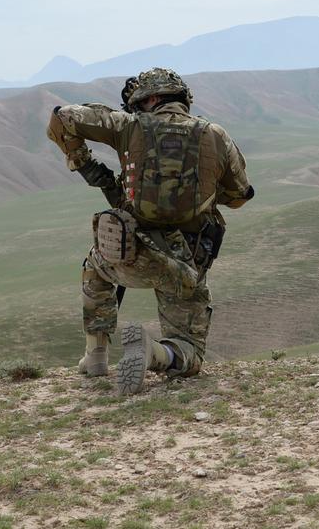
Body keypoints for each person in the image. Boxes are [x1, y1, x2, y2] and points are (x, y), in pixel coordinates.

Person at [46, 68, 254, 394]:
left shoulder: (128, 125)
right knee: (189, 354)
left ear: (152, 99)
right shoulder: (215, 134)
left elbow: (63, 117)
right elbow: (241, 196)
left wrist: (83, 162)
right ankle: (155, 352)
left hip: (130, 254)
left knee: (94, 267)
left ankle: (96, 355)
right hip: (185, 262)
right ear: (181, 99)